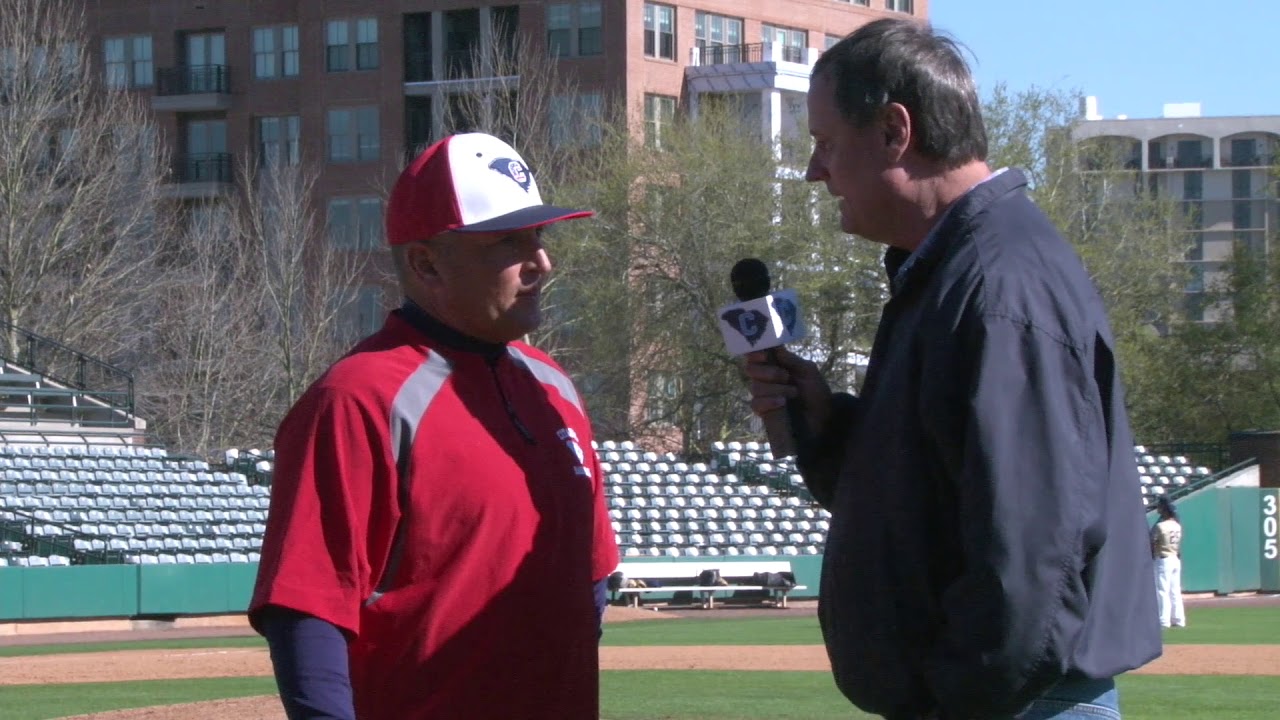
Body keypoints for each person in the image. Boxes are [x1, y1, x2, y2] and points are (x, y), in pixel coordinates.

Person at [743, 18, 1161, 720]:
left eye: (825, 142)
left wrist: (956, 699)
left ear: (893, 132)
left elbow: (1031, 548)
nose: (816, 170)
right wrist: (830, 425)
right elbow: (935, 494)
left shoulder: (998, 287)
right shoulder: (957, 271)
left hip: (1020, 703)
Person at [248, 132, 620, 720]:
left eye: (540, 237)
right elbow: (307, 613)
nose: (541, 262)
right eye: (509, 242)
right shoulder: (356, 398)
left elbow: (590, 580)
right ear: (426, 263)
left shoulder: (554, 387)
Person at [1151, 497, 1186, 628]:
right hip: (1175, 558)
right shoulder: (1177, 525)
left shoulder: (1161, 526)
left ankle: (1164, 621)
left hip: (1164, 558)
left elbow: (1153, 541)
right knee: (1175, 591)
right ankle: (1179, 620)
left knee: (1162, 591)